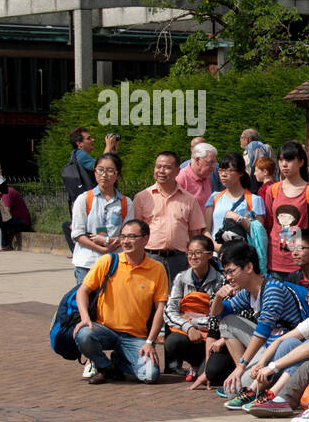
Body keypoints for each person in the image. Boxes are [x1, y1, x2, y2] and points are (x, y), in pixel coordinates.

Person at [228, 271, 309, 411]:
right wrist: (262, 363)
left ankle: (273, 393)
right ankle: (253, 390)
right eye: (308, 297)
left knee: (306, 345)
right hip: (305, 370)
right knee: (289, 342)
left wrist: (273, 367)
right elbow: (279, 340)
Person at [207, 241, 309, 393]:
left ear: (249, 267)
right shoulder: (247, 292)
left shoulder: (272, 289)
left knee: (234, 390)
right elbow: (218, 314)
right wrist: (218, 297)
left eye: (231, 271)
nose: (228, 277)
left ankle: (250, 377)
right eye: (225, 273)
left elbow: (262, 331)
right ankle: (243, 373)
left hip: (286, 347)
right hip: (268, 345)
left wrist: (243, 366)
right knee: (227, 322)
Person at [74, 218, 168, 384]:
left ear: (145, 239)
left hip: (135, 336)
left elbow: (160, 308)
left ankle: (119, 362)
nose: (125, 241)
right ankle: (105, 367)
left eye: (131, 237)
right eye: (123, 236)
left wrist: (150, 342)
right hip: (105, 329)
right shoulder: (108, 261)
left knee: (150, 376)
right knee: (84, 335)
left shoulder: (157, 269)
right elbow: (82, 291)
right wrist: (85, 319)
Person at [133, 152, 207, 282]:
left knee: (176, 299)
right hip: (150, 257)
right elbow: (135, 232)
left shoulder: (189, 199)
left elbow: (195, 233)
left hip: (179, 260)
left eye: (167, 167)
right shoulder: (142, 197)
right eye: (158, 167)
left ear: (177, 171)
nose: (161, 171)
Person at [162, 233, 224, 379]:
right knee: (173, 342)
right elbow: (170, 311)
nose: (193, 257)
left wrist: (192, 322)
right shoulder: (181, 278)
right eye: (190, 253)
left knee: (210, 375)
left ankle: (203, 365)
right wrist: (188, 328)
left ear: (209, 255)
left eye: (198, 253)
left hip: (212, 335)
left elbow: (219, 317)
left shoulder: (220, 280)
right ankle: (195, 363)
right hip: (189, 334)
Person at [261, 141, 309, 282]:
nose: (284, 165)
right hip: (274, 261)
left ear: (300, 162)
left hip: (300, 263)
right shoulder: (273, 190)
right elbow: (269, 223)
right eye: (281, 160)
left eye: (289, 159)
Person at [70, 154, 132, 286]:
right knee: (86, 302)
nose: (104, 175)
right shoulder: (84, 199)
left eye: (110, 171)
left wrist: (108, 242)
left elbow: (129, 236)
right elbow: (77, 234)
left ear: (117, 175)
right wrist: (101, 249)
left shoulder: (126, 203)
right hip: (87, 262)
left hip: (115, 263)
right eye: (100, 170)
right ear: (95, 172)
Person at [206, 153, 266, 243]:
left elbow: (259, 234)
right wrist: (217, 247)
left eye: (229, 170)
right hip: (217, 254)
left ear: (241, 173)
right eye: (221, 170)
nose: (223, 174)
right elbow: (206, 230)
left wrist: (239, 219)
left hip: (241, 254)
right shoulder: (214, 197)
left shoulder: (254, 200)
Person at [0, 185, 32, 249]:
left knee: (0, 221)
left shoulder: (6, 192)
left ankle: (5, 245)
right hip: (16, 219)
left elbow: (6, 212)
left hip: (23, 222)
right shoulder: (2, 193)